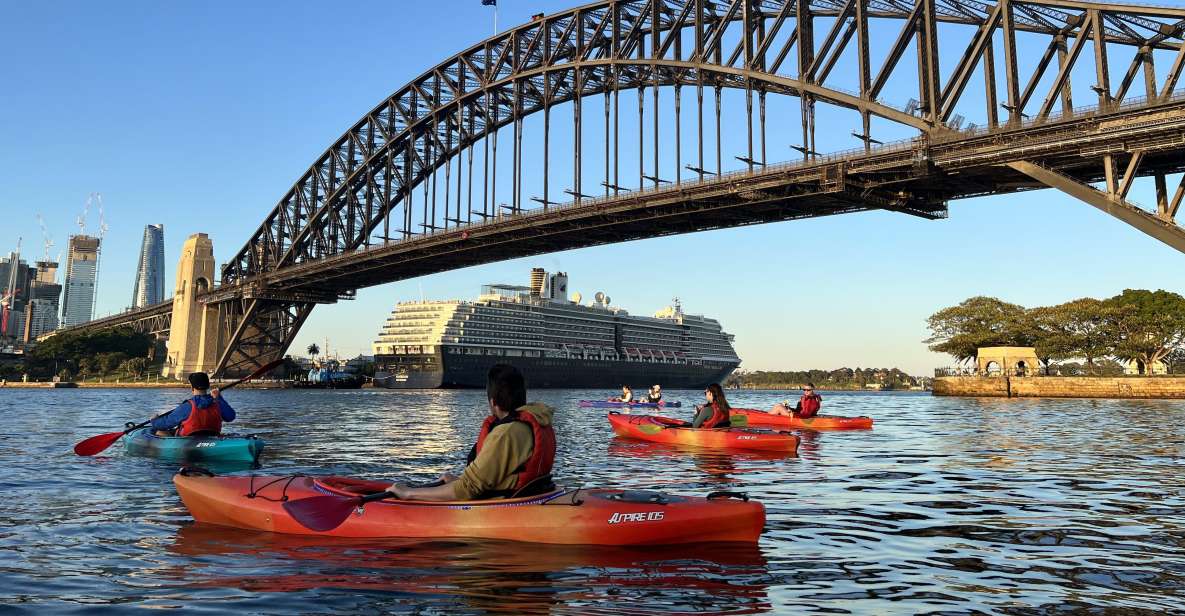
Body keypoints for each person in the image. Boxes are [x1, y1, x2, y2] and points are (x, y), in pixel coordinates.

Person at [388, 364, 556, 502]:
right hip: (530, 495)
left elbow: (467, 490)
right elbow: (506, 477)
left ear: (493, 402)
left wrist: (408, 493)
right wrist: (457, 480)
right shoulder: (538, 422)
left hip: (505, 504)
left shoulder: (506, 434)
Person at [150, 372, 236, 437]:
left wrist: (154, 421)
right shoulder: (217, 402)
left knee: (155, 431)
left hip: (188, 440)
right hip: (212, 437)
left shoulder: (187, 406)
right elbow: (230, 417)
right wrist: (219, 398)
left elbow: (165, 424)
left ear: (192, 387)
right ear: (208, 386)